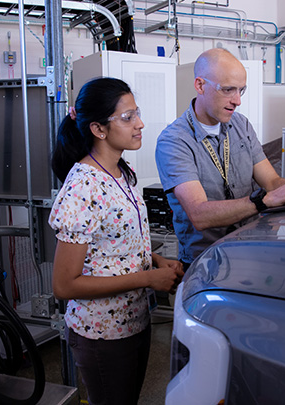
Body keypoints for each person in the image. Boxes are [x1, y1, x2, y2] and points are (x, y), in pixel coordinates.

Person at [49, 77, 184, 405]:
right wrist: (149, 279)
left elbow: (112, 245)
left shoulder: (120, 172)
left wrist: (153, 260)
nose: (139, 124)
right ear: (98, 129)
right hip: (102, 333)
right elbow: (65, 285)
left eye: (136, 113)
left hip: (134, 321)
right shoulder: (83, 186)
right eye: (127, 118)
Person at [155, 48, 285, 268]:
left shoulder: (241, 125)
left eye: (241, 90)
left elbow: (271, 182)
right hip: (209, 261)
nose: (237, 101)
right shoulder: (174, 141)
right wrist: (262, 201)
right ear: (200, 85)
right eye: (228, 90)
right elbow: (199, 214)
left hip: (253, 247)